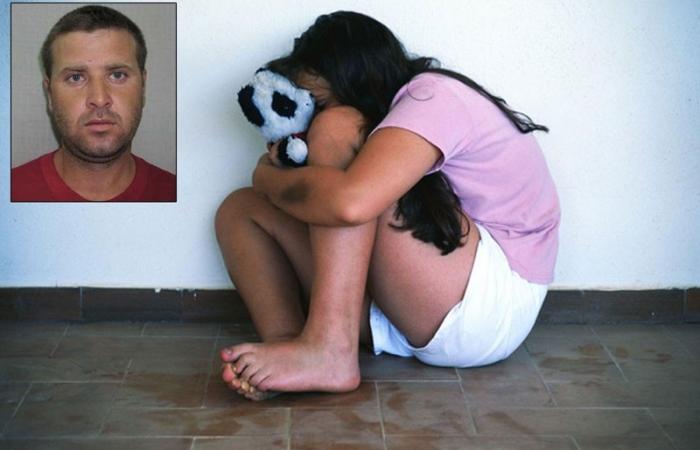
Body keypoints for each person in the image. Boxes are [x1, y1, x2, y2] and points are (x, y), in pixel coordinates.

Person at [216, 11, 560, 401]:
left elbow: (350, 204)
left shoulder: (434, 96)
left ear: (351, 78)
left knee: (338, 136)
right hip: (412, 303)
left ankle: (329, 349)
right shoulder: (395, 116)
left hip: (484, 306)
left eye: (319, 103)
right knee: (241, 211)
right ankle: (291, 344)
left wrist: (266, 177)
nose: (311, 122)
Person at [11, 5, 176, 202]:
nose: (99, 99)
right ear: (49, 94)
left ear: (143, 87)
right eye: (75, 78)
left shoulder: (180, 196)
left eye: (117, 75)